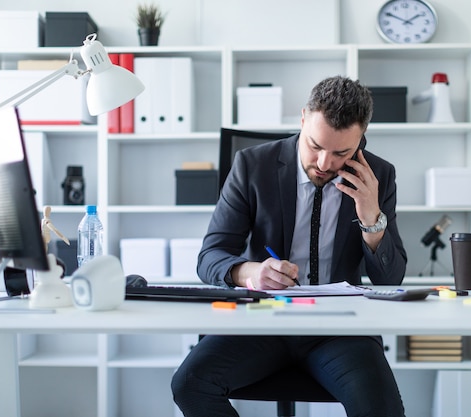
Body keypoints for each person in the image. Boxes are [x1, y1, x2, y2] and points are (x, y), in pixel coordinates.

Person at [171, 75, 407, 417]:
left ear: (360, 140)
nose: (325, 163)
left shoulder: (379, 176)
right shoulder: (252, 166)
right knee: (189, 384)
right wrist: (251, 272)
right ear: (302, 119)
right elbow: (210, 257)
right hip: (263, 319)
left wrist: (372, 218)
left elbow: (391, 280)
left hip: (339, 328)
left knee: (381, 410)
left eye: (341, 152)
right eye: (315, 145)